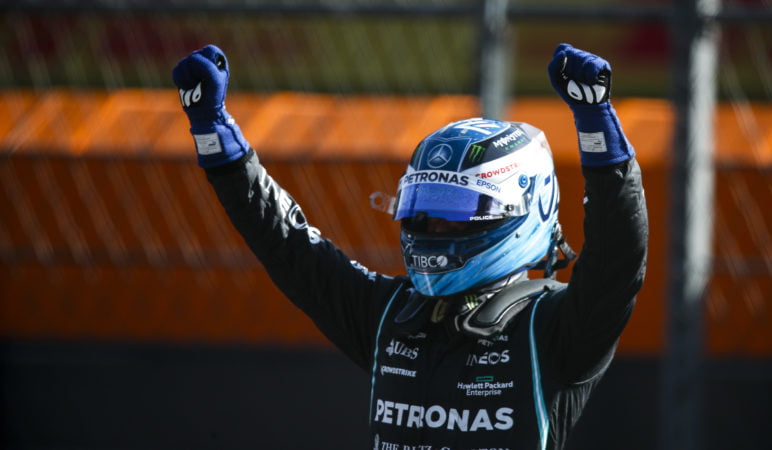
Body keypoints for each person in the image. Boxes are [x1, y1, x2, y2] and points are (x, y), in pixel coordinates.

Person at [173, 42, 648, 450]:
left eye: (453, 213)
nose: (431, 227)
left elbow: (617, 260)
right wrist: (216, 135)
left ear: (523, 210)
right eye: (421, 211)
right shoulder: (390, 316)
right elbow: (289, 247)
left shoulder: (556, 330)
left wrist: (597, 124)